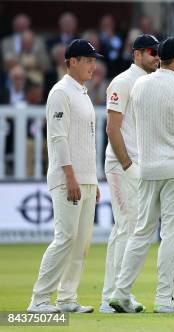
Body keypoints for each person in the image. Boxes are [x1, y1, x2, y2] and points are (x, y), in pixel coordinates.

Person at [108, 36, 174, 314]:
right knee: (171, 232)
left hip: (147, 168)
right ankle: (164, 298)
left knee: (141, 232)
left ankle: (121, 291)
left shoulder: (140, 85)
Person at [27, 39, 103, 313]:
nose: (93, 65)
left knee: (80, 243)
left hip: (85, 178)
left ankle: (67, 298)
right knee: (65, 238)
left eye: (94, 60)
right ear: (72, 62)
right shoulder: (60, 92)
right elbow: (57, 139)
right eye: (88, 60)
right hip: (66, 178)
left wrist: (92, 181)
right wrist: (70, 177)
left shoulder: (82, 92)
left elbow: (86, 140)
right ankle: (39, 300)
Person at [99, 34, 160, 314]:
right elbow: (112, 128)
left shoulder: (153, 83)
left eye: (158, 52)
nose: (156, 56)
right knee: (128, 226)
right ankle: (110, 297)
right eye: (150, 52)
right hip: (122, 164)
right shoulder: (122, 82)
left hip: (143, 165)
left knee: (132, 228)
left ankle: (120, 293)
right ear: (136, 54)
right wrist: (127, 165)